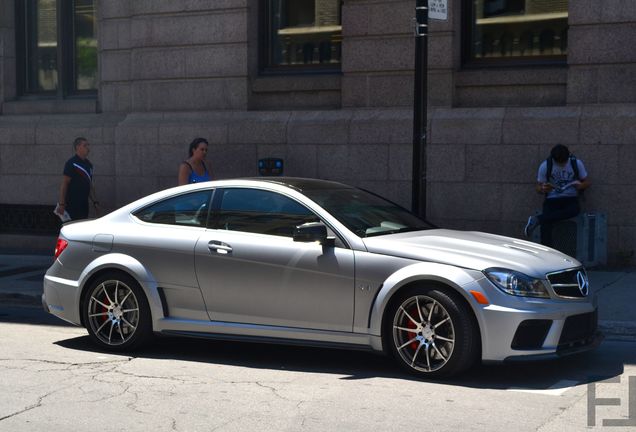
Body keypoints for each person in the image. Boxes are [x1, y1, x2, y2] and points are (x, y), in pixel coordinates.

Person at [524, 144, 590, 246]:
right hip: (552, 199)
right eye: (558, 162)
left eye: (563, 162)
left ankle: (538, 219)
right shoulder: (545, 166)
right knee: (546, 227)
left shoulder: (576, 163)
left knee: (574, 210)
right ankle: (547, 253)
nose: (561, 165)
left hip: (570, 198)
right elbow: (538, 187)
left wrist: (581, 186)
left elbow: (587, 182)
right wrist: (542, 189)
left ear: (568, 156)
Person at [55, 137, 99, 221]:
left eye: (88, 145)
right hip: (72, 205)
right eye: (85, 145)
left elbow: (89, 184)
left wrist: (95, 202)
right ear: (78, 147)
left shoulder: (89, 164)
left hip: (84, 205)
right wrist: (61, 204)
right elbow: (64, 184)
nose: (88, 148)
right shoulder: (71, 163)